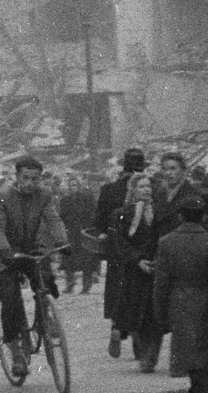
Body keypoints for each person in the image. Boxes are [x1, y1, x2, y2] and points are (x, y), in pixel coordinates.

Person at [0, 156, 69, 378]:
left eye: (34, 178)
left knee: (45, 278)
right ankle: (15, 350)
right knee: (10, 298)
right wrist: (4, 250)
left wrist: (62, 242)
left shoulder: (44, 195)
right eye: (25, 177)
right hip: (3, 253)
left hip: (29, 247)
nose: (29, 182)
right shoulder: (1, 196)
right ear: (16, 176)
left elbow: (53, 219)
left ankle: (45, 317)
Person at [150, 193, 208, 393]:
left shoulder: (166, 242)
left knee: (187, 349)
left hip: (179, 299)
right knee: (202, 348)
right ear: (203, 217)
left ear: (180, 216)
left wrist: (159, 310)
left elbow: (161, 281)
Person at [106, 172, 161, 370]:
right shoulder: (122, 213)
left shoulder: (159, 211)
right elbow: (119, 242)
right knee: (134, 309)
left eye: (148, 186)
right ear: (133, 190)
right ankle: (120, 333)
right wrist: (137, 260)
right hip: (133, 268)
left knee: (150, 312)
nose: (146, 190)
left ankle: (146, 355)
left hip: (154, 266)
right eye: (141, 187)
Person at [97, 148, 146, 337]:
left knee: (118, 287)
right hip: (141, 247)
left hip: (117, 248)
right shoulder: (149, 187)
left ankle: (117, 325)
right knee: (139, 288)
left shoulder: (109, 189)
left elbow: (99, 221)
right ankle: (138, 332)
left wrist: (103, 233)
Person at [58, 174, 99, 293]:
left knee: (87, 260)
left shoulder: (86, 198)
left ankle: (86, 285)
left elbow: (93, 213)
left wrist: (89, 228)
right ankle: (70, 284)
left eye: (75, 185)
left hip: (84, 233)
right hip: (71, 233)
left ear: (79, 186)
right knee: (68, 259)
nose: (73, 187)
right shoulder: (65, 200)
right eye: (71, 185)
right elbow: (62, 216)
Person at [154, 152, 203, 237]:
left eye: (173, 168)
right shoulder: (158, 193)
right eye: (165, 169)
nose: (168, 173)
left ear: (183, 170)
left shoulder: (193, 194)